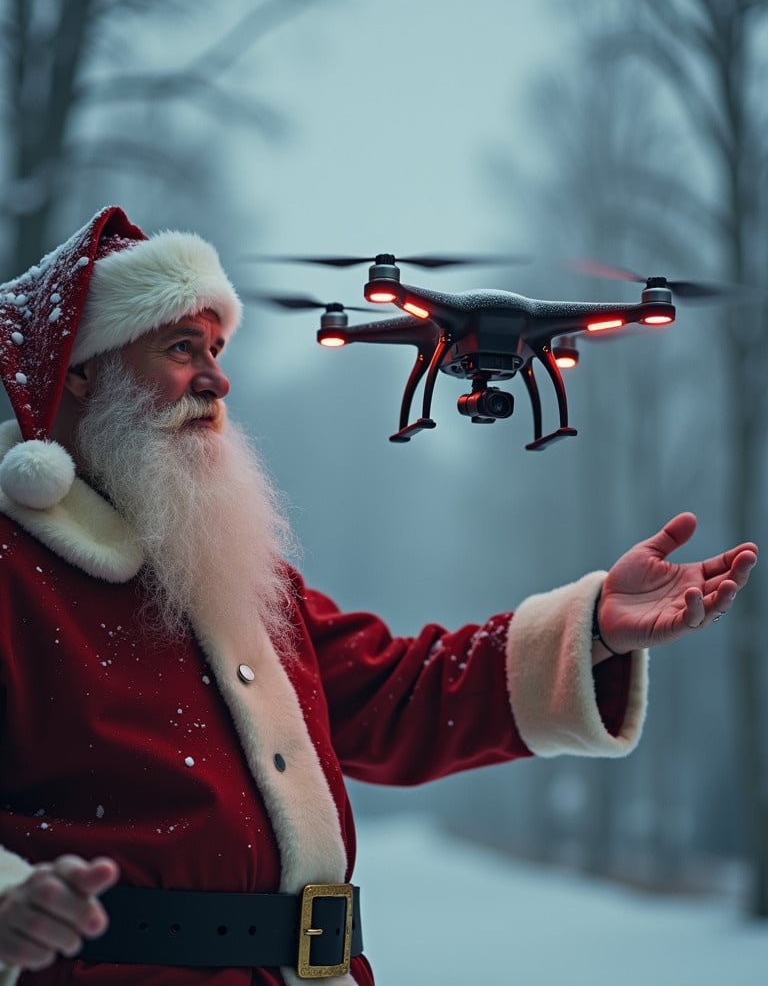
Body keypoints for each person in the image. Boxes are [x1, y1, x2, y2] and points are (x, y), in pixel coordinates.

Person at [0, 206, 757, 986]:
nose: (218, 379)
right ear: (82, 370)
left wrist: (596, 625)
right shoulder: (13, 570)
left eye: (219, 351)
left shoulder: (225, 573)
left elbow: (397, 692)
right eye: (181, 349)